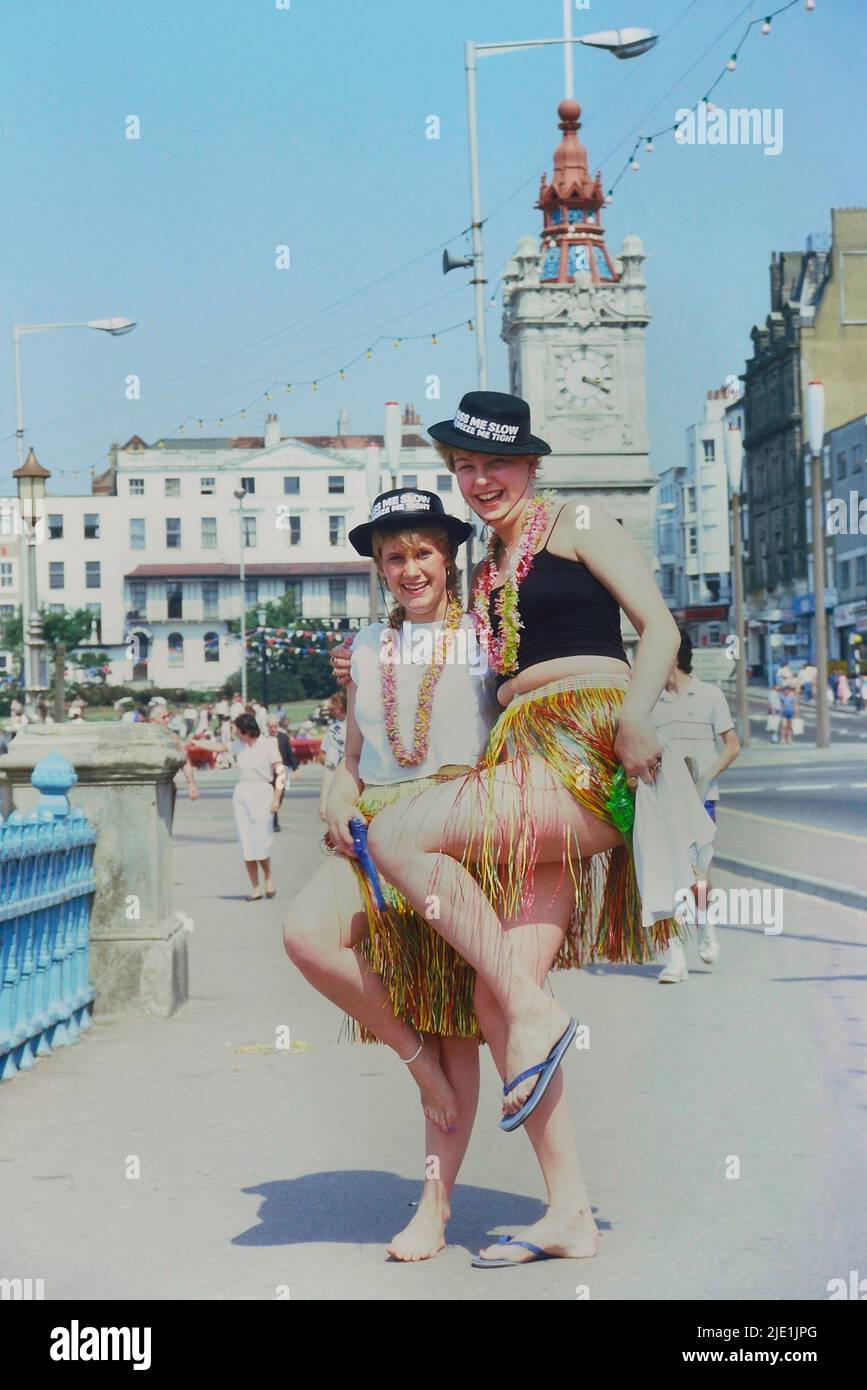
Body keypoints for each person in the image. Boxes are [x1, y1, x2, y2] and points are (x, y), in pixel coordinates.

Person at [331, 391, 687, 1266]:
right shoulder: (488, 563)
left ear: (530, 464)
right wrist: (366, 670)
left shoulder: (579, 518)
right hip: (516, 753)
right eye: (463, 467)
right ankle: (569, 1212)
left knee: (400, 836)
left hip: (580, 737)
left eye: (493, 464)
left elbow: (661, 626)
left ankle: (533, 1007)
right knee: (493, 995)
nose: (478, 480)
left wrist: (638, 716)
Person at [284, 490, 496, 1261]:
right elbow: (347, 761)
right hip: (374, 832)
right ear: (378, 568)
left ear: (449, 558)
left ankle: (434, 1208)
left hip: (450, 834)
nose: (410, 569)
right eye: (394, 556)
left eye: (423, 553)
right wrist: (334, 804)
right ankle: (416, 1070)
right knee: (306, 936)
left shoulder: (484, 638)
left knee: (453, 1028)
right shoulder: (366, 646)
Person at [650, 630, 740, 981]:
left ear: (673, 656)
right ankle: (676, 959)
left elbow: (732, 745)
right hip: (664, 801)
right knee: (669, 876)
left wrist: (705, 778)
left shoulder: (710, 695)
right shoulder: (652, 702)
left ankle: (706, 928)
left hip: (703, 801)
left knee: (699, 876)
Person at [232, 712, 285, 901]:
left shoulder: (268, 744)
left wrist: (277, 797)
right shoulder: (238, 746)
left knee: (261, 841)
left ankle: (268, 878)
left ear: (245, 729)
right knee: (247, 842)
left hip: (263, 793)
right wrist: (196, 744)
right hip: (242, 793)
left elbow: (280, 772)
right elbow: (218, 746)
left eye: (237, 729)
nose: (235, 732)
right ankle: (255, 887)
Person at [318, 691, 348, 821]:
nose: (331, 711)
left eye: (332, 708)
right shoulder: (355, 724)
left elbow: (322, 755)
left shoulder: (335, 729)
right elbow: (322, 754)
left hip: (336, 771)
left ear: (340, 708)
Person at [268, 716, 298, 832]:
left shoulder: (283, 738)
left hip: (283, 770)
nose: (273, 729)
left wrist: (296, 769)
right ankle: (274, 822)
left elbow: (289, 753)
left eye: (275, 726)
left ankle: (273, 814)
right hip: (270, 771)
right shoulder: (264, 739)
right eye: (271, 727)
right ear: (268, 727)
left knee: (280, 796)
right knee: (271, 795)